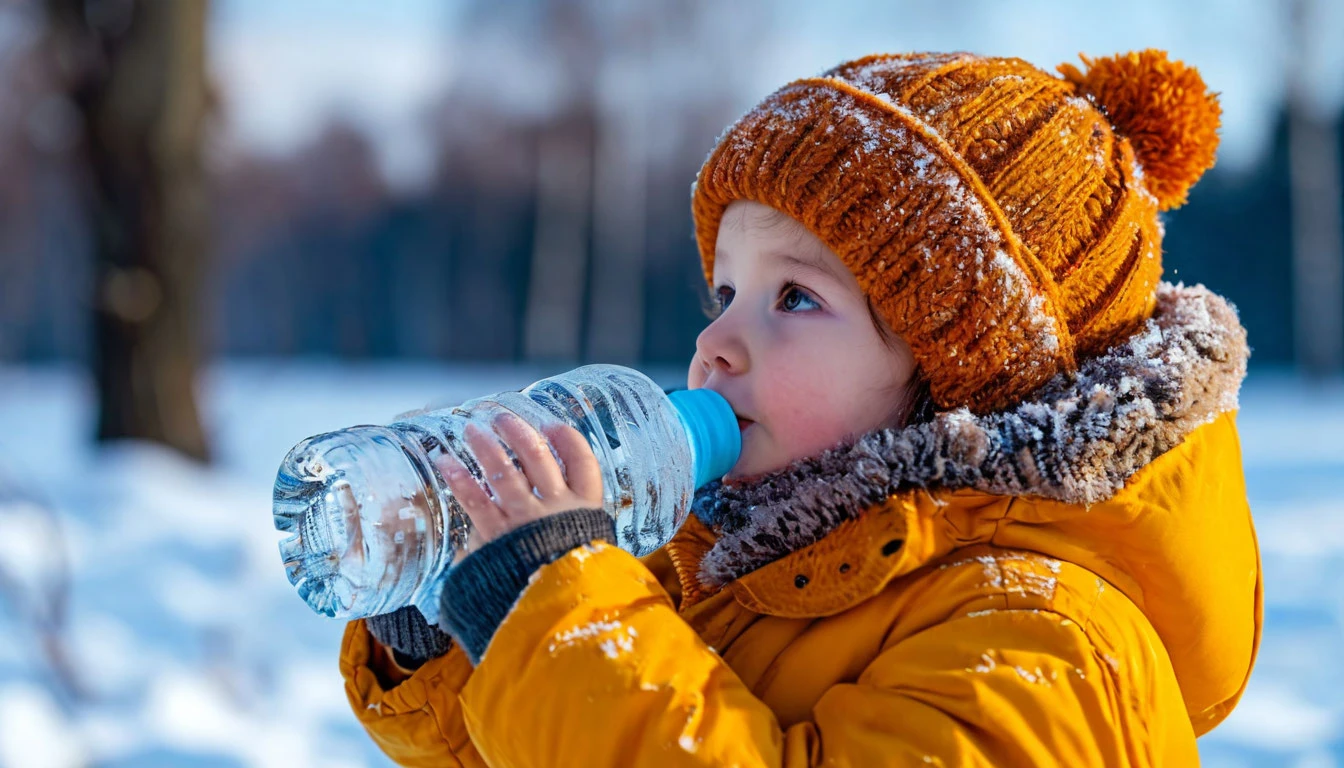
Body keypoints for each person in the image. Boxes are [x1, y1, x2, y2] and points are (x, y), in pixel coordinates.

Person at [340, 49, 1258, 766]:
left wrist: (558, 623)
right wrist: (464, 638)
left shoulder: (1043, 644)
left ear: (961, 376)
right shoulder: (732, 564)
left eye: (795, 299)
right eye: (725, 293)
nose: (715, 345)